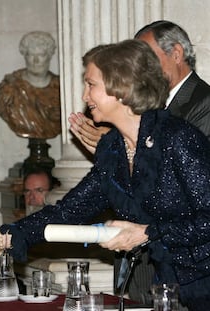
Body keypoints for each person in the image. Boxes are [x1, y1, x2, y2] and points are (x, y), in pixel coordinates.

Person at [0, 40, 210, 310]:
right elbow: (68, 211)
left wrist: (147, 233)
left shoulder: (176, 138)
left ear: (120, 87)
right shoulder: (113, 149)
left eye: (91, 84)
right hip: (172, 289)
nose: (85, 96)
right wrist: (1, 238)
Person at [68, 20, 210, 304]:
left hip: (188, 274)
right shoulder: (142, 116)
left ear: (177, 54)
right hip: (142, 267)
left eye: (144, 55)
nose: (139, 64)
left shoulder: (202, 105)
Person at [70, 20, 210, 152]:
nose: (140, 68)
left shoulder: (205, 102)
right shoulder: (148, 103)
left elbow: (186, 165)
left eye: (147, 58)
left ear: (176, 54)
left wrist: (121, 144)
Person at [0, 31, 61, 139]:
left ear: (49, 56)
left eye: (41, 55)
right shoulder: (10, 88)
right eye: (31, 55)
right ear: (25, 55)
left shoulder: (60, 89)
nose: (36, 60)